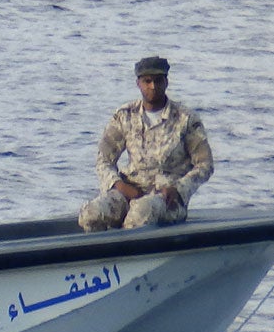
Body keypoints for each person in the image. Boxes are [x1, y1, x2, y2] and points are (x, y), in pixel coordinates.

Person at [78, 55, 215, 232]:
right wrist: (118, 185)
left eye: (158, 81)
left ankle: (132, 256)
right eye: (147, 81)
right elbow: (103, 160)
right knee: (91, 213)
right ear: (138, 83)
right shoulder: (125, 115)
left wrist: (178, 189)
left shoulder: (186, 119)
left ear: (166, 82)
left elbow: (205, 165)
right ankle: (98, 257)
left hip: (166, 199)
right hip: (129, 191)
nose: (153, 86)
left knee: (140, 213)